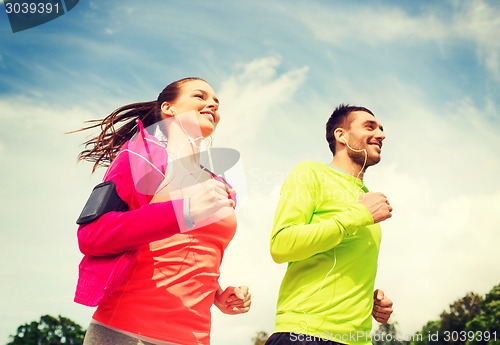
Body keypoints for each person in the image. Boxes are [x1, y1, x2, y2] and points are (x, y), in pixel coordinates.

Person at [72, 77, 251, 345]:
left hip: (194, 337)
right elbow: (91, 235)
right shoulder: (141, 158)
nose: (212, 104)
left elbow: (189, 251)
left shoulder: (220, 184)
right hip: (126, 332)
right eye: (200, 97)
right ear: (169, 108)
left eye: (216, 102)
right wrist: (183, 211)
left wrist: (218, 295)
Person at [265, 104, 394, 345]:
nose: (381, 134)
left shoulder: (367, 199)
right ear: (341, 135)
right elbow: (280, 245)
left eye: (381, 129)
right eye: (370, 126)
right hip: (305, 334)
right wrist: (357, 215)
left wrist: (370, 300)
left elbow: (340, 262)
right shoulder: (310, 173)